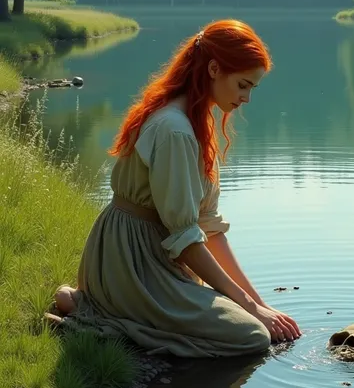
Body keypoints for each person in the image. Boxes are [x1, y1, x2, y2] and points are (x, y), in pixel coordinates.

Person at [54, 19, 301, 357]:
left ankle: (93, 301)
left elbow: (209, 227)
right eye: (243, 85)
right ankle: (104, 316)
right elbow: (185, 238)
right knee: (252, 337)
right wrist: (250, 311)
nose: (246, 98)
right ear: (214, 68)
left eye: (252, 89)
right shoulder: (175, 130)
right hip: (133, 259)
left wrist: (258, 303)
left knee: (252, 319)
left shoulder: (196, 121)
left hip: (151, 254)